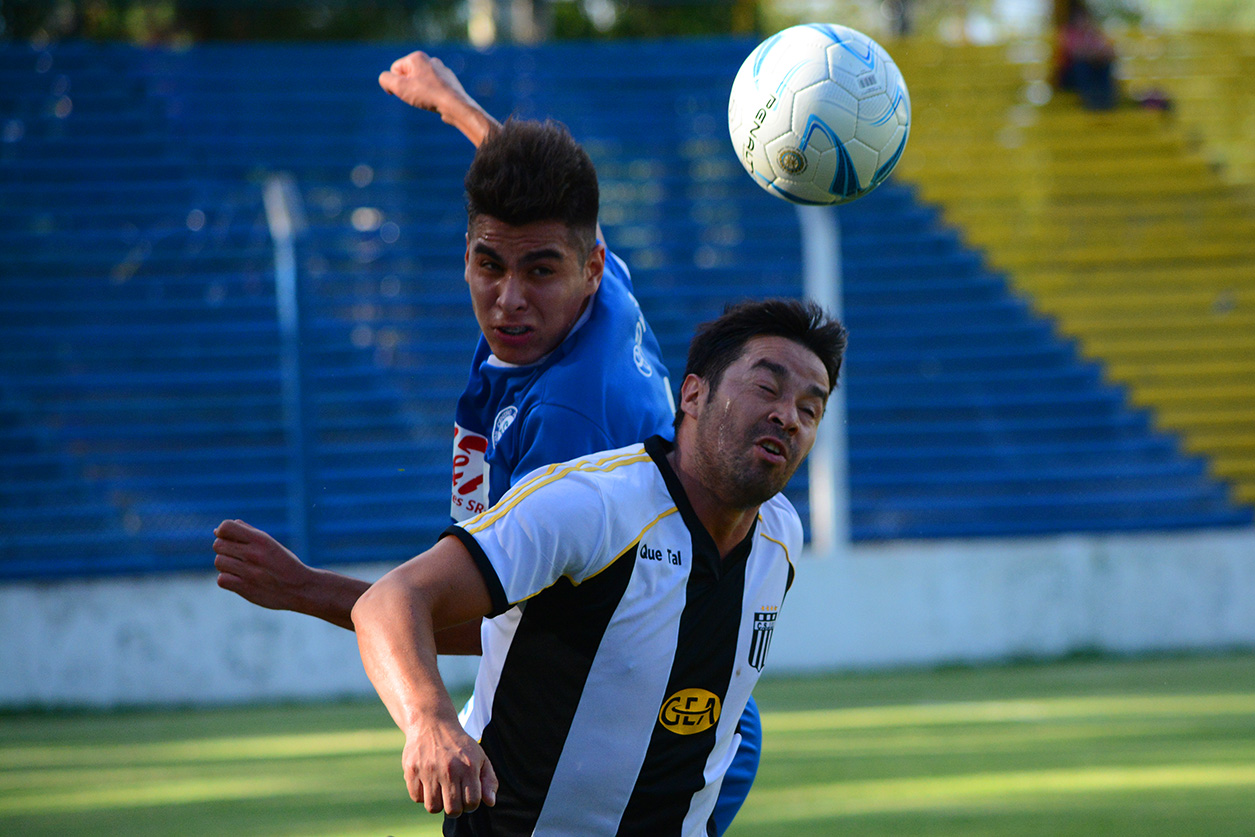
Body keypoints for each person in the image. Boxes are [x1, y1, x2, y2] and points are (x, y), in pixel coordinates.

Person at [212, 52, 761, 832]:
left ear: (587, 268)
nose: (509, 299)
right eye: (487, 263)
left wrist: (310, 590)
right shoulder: (599, 293)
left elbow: (503, 620)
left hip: (657, 719)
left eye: (539, 271)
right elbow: (548, 200)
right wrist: (457, 106)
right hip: (638, 689)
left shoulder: (569, 431)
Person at [352, 298, 847, 835]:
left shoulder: (781, 535)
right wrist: (430, 723)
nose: (787, 416)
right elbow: (390, 600)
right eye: (766, 388)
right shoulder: (589, 505)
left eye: (810, 408)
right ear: (694, 394)